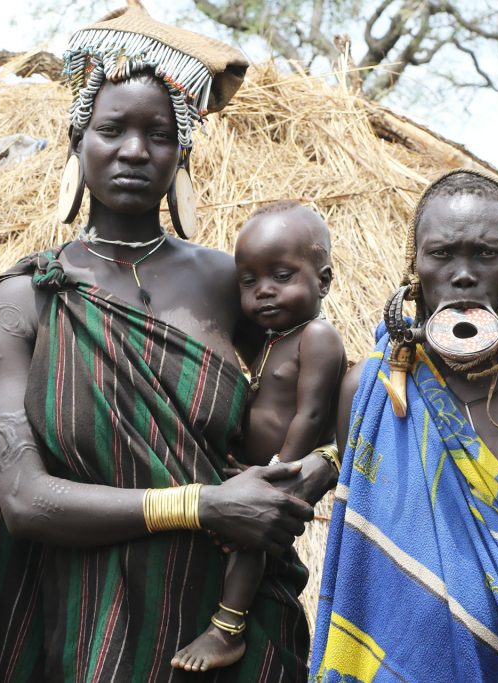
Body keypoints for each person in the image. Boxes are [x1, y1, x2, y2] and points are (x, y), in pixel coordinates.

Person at [0, 8, 335, 681]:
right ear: (77, 141)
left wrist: (323, 460)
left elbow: (319, 378)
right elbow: (26, 499)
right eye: (111, 129)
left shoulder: (224, 281)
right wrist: (202, 503)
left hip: (230, 622)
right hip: (93, 630)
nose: (132, 150)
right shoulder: (29, 296)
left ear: (182, 152)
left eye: (157, 133)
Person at [310, 169, 498, 683]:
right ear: (415, 266)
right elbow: (368, 555)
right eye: (441, 254)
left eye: (486, 253)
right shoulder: (369, 391)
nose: (463, 274)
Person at [172, 201, 347, 672]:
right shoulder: (272, 338)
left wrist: (276, 475)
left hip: (279, 472)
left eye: (282, 276)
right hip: (252, 470)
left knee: (251, 546)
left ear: (323, 281)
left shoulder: (318, 337)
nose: (264, 292)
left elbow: (311, 416)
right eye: (249, 281)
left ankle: (227, 629)